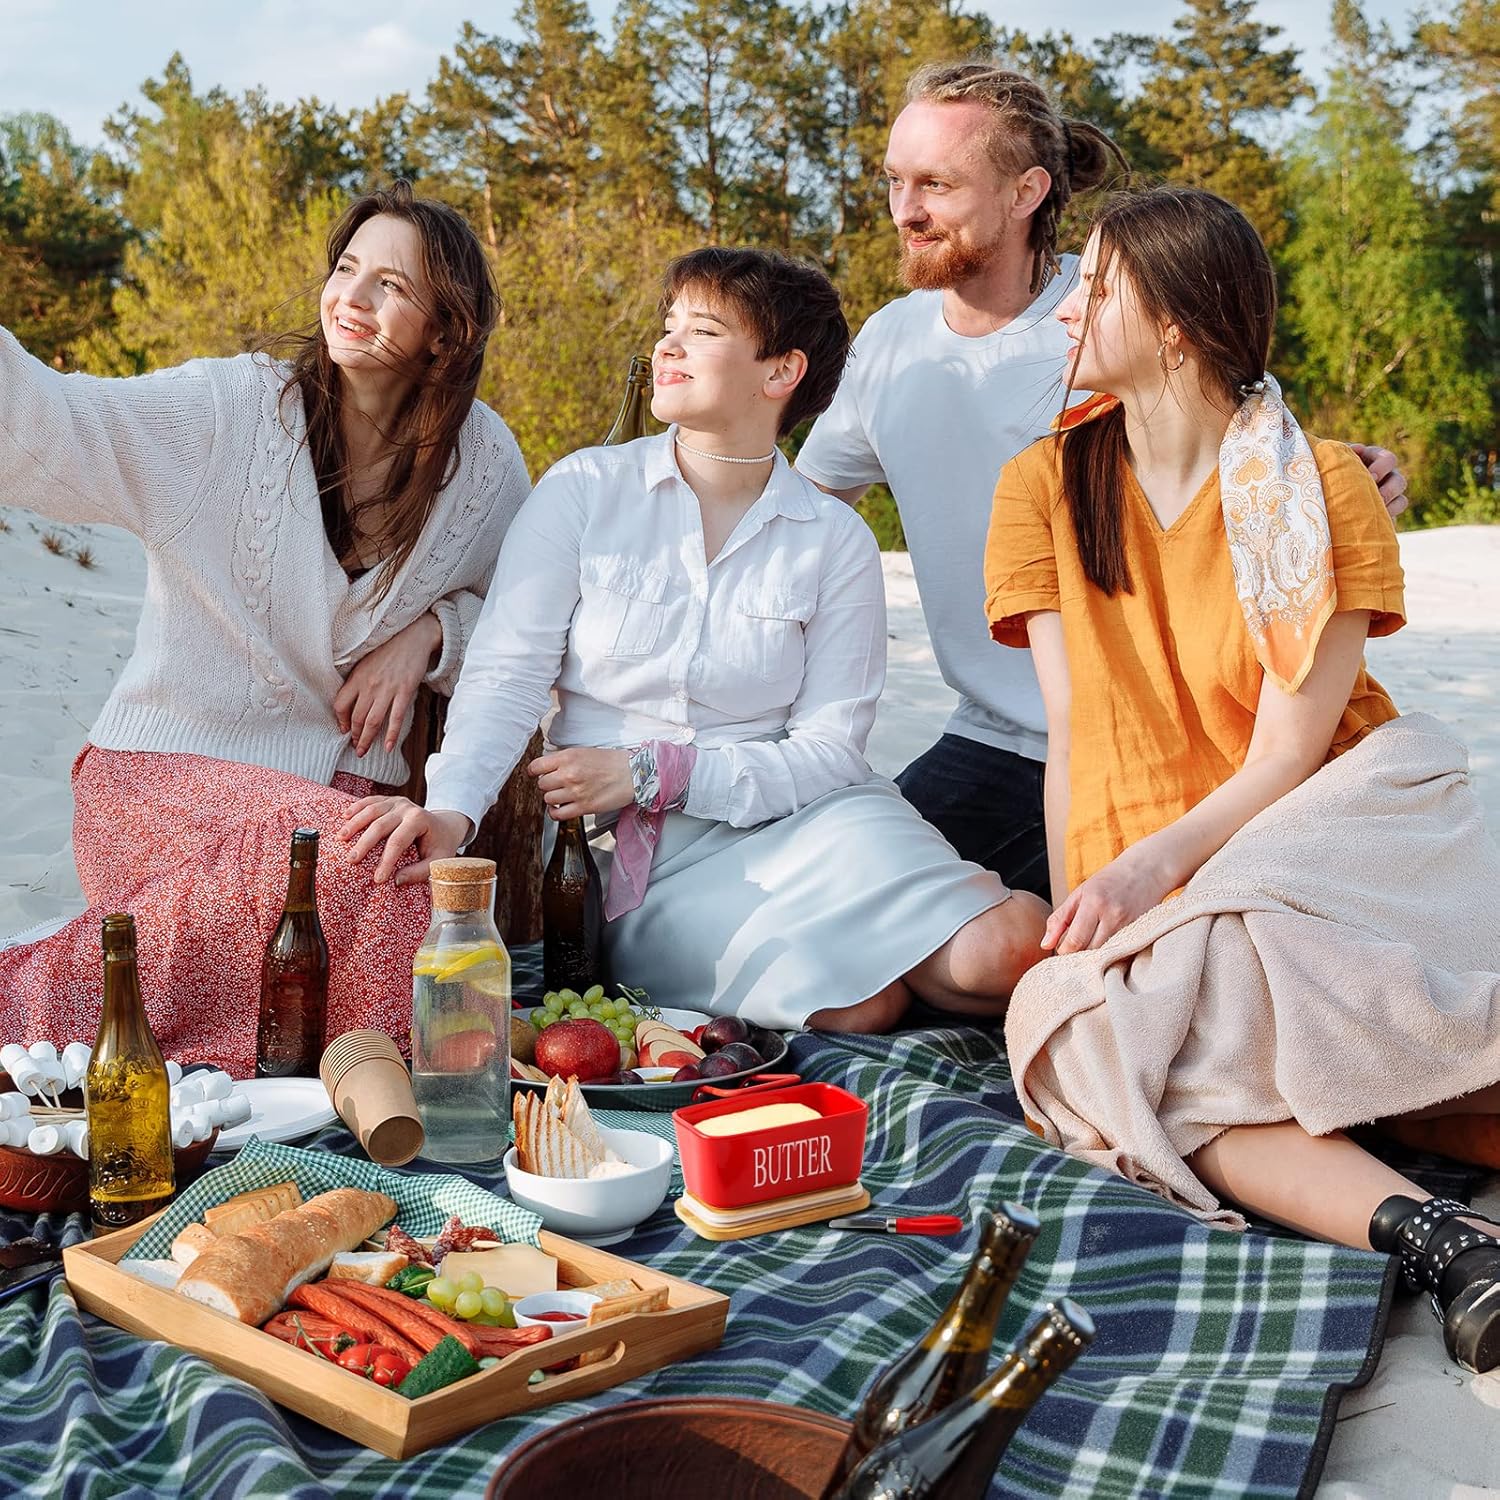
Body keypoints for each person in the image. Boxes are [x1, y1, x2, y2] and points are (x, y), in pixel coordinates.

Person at [985, 184, 1500, 1373]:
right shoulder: (1042, 488)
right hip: (1166, 867)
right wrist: (1087, 927)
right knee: (1096, 1036)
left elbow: (1290, 754)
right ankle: (1447, 1244)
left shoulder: (1317, 484)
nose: (1067, 312)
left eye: (1096, 286)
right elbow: (1074, 734)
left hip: (1337, 825)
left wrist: (1153, 882)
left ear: (1173, 321)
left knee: (1250, 1014)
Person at [342, 247, 1048, 1034]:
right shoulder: (584, 490)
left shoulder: (834, 539)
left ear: (779, 372)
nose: (667, 346)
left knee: (1006, 950)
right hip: (640, 863)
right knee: (858, 1005)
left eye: (702, 330)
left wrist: (654, 772)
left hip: (814, 820)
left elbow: (829, 751)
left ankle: (1068, 938)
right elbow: (507, 676)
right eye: (668, 326)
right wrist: (452, 813)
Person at [796, 59, 1409, 900]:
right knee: (857, 920)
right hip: (995, 735)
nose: (906, 208)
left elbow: (1237, 435)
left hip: (1174, 734)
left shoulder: (1115, 319)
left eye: (935, 183)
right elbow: (804, 512)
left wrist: (1341, 472)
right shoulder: (890, 346)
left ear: (1025, 192)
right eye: (896, 180)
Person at [0, 182, 530, 1075]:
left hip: (344, 822)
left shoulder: (483, 465)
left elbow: (531, 626)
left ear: (446, 330)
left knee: (416, 916)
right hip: (164, 785)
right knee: (387, 895)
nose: (349, 299)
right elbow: (55, 426)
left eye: (389, 286)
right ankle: (21, 1013)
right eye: (345, 269)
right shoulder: (229, 411)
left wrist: (433, 634)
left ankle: (293, 1093)